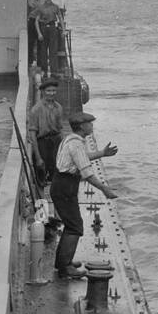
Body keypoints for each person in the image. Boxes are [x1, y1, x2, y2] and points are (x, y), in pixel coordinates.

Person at [50, 112, 119, 280]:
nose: (92, 126)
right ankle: (65, 268)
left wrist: (102, 153)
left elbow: (83, 157)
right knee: (75, 227)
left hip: (61, 185)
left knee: (70, 224)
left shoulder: (71, 140)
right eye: (90, 124)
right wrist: (104, 189)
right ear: (82, 127)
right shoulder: (76, 144)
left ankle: (62, 262)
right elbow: (87, 173)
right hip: (65, 187)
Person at [26, 76, 69, 185]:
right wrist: (38, 156)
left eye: (54, 91)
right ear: (43, 92)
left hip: (56, 142)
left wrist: (64, 147)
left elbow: (60, 129)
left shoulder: (58, 107)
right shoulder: (36, 110)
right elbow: (32, 134)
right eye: (48, 91)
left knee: (57, 172)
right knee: (40, 172)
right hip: (42, 143)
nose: (51, 93)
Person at [35, 0, 63, 75]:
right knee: (43, 51)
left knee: (53, 51)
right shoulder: (41, 7)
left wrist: (64, 31)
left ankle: (54, 71)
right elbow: (36, 21)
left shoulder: (55, 7)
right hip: (43, 28)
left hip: (52, 28)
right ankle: (45, 70)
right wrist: (39, 33)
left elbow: (60, 18)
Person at [26, 0, 43, 67]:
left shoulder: (42, 1)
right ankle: (30, 60)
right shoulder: (30, 2)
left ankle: (40, 61)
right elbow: (27, 13)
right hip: (32, 21)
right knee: (31, 42)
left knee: (40, 42)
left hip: (40, 21)